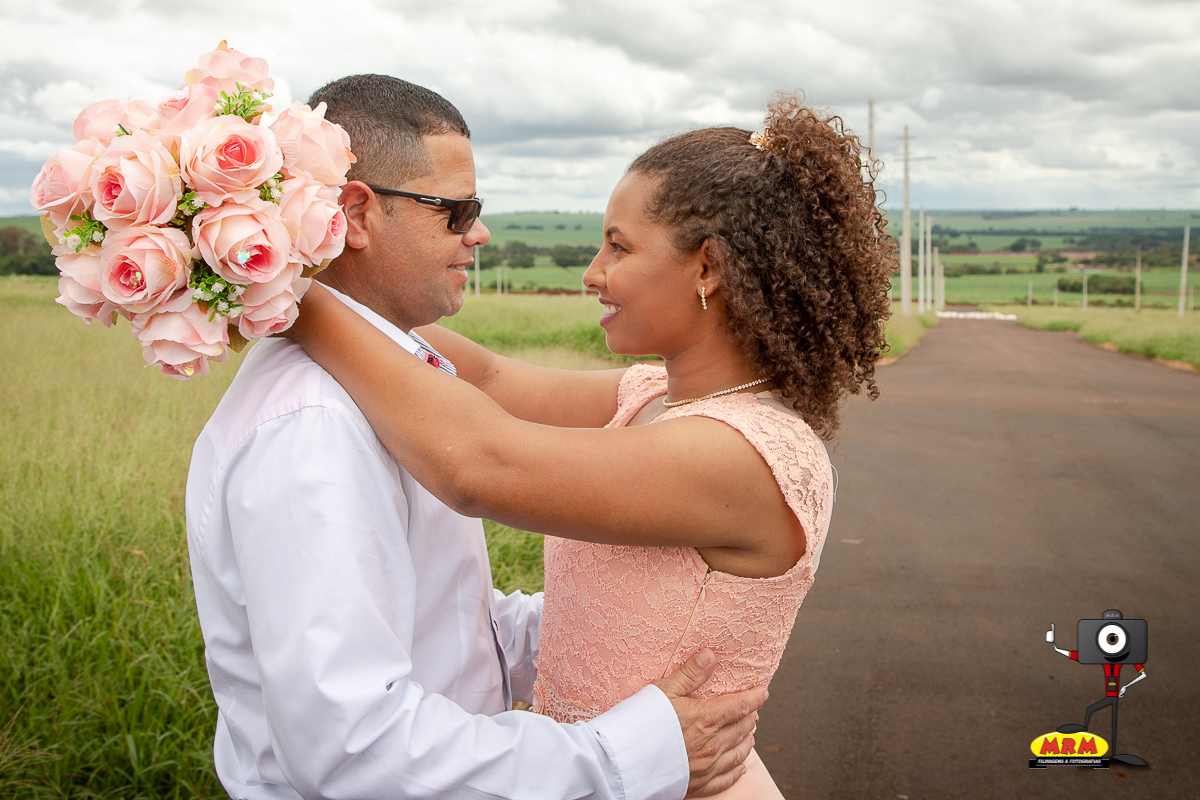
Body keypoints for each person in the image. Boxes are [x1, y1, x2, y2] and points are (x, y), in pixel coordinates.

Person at [282, 93, 894, 798]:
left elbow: (481, 466)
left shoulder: (737, 454)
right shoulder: (653, 396)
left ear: (708, 267)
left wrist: (287, 295)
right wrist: (318, 264)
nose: (592, 273)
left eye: (619, 247)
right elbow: (488, 377)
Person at [185, 74, 764, 800]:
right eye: (458, 211)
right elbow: (353, 750)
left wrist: (613, 626)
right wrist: (623, 757)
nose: (479, 233)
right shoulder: (314, 426)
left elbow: (442, 618)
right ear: (357, 213)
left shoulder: (396, 388)